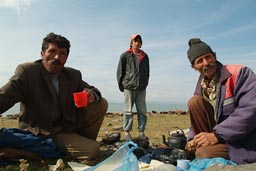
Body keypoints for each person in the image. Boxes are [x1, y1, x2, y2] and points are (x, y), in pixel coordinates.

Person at [0, 32, 108, 160]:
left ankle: (81, 142)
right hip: (38, 131)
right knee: (93, 150)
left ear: (66, 58)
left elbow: (93, 89)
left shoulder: (72, 75)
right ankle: (36, 151)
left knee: (101, 103)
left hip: (63, 129)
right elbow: (4, 96)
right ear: (42, 54)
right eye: (52, 51)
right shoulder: (28, 72)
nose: (57, 57)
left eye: (62, 53)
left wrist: (91, 94)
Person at [185, 38, 256, 164]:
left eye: (208, 57)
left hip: (243, 141)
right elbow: (195, 120)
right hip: (220, 138)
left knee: (203, 154)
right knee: (194, 102)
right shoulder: (201, 86)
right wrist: (192, 140)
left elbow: (251, 110)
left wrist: (216, 135)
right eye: (199, 61)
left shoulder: (239, 73)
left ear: (215, 56)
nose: (206, 63)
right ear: (194, 67)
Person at [116, 33, 150, 141]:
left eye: (139, 41)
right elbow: (119, 72)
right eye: (135, 41)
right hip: (128, 87)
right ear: (131, 43)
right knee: (128, 111)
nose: (137, 43)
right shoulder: (125, 55)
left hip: (141, 88)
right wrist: (122, 86)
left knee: (142, 111)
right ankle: (127, 132)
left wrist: (144, 84)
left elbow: (147, 72)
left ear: (141, 43)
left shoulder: (145, 56)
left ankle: (141, 132)